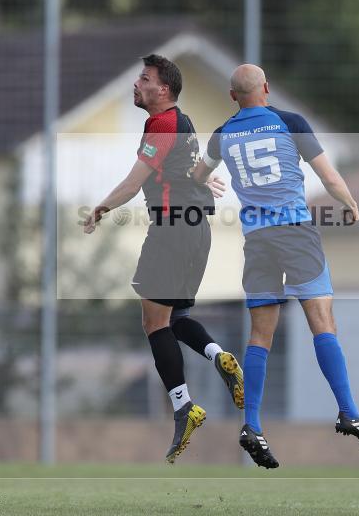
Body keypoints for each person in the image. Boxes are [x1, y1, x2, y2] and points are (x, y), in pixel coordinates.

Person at [191, 64, 359, 468]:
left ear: (232, 96)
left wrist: (204, 182)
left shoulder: (224, 133)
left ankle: (252, 424)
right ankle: (348, 411)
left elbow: (198, 174)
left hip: (257, 241)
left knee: (261, 335)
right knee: (322, 320)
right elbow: (328, 176)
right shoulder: (289, 122)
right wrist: (349, 203)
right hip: (296, 234)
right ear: (266, 88)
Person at [83, 54, 244, 463]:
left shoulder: (162, 123)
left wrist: (101, 207)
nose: (137, 84)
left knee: (153, 323)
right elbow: (189, 169)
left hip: (171, 231)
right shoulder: (184, 122)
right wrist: (204, 176)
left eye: (145, 79)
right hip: (197, 233)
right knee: (175, 319)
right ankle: (218, 356)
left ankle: (184, 406)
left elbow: (135, 183)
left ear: (164, 90)